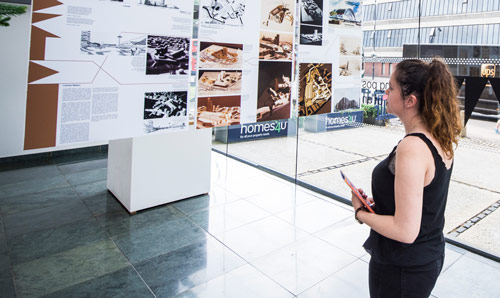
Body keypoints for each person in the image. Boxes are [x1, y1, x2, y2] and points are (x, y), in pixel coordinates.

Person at [352, 58, 462, 298]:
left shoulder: (412, 147)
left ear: (410, 101)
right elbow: (421, 201)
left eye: (390, 87)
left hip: (403, 268)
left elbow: (405, 231)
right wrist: (378, 204)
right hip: (426, 256)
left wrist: (360, 214)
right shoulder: (437, 136)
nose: (386, 92)